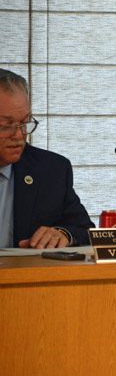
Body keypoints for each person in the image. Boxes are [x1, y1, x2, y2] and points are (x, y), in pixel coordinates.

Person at [0, 69, 94, 248]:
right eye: (6, 125)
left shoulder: (51, 170)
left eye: (24, 122)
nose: (19, 135)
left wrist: (63, 234)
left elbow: (84, 230)